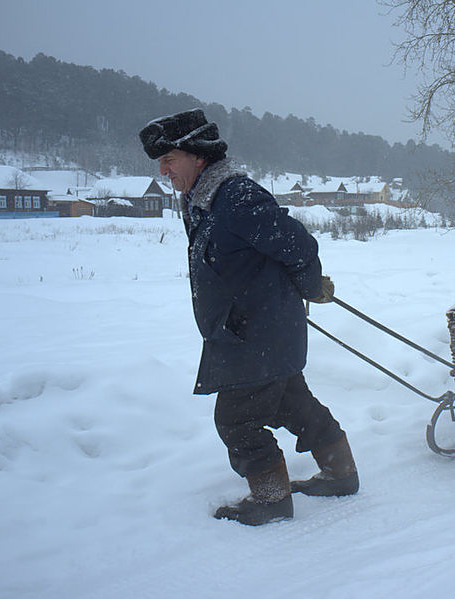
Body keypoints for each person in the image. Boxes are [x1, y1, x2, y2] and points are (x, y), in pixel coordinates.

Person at [139, 109, 358, 526]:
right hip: (251, 332)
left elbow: (298, 245)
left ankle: (271, 499)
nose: (164, 170)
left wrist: (311, 285)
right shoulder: (205, 201)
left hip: (257, 335)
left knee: (237, 421)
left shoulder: (236, 198)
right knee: (294, 405)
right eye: (161, 163)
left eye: (169, 159)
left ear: (198, 156)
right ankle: (341, 473)